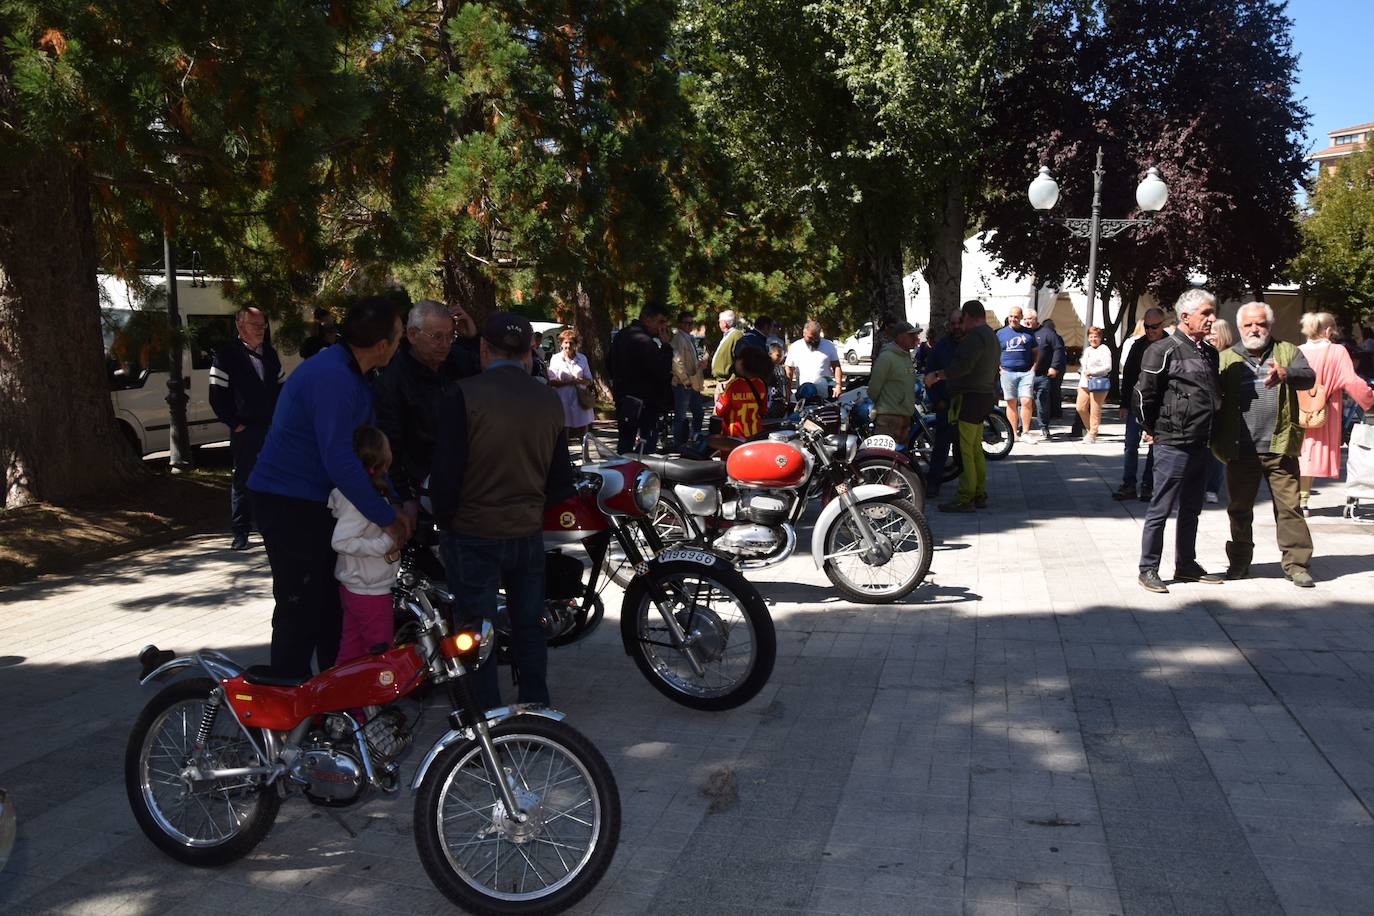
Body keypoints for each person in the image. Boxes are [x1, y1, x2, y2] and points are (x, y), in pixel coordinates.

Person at [249, 296, 411, 677]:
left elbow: (367, 454)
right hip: (287, 502)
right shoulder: (333, 376)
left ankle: (328, 709)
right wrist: (387, 517)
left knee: (330, 609)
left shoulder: (353, 374)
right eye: (400, 336)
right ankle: (284, 713)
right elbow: (339, 460)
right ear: (383, 344)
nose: (400, 344)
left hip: (314, 503)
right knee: (300, 610)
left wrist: (393, 501)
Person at [430, 312, 574, 709]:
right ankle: (536, 705)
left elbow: (446, 475)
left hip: (473, 530)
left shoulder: (463, 394)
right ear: (529, 352)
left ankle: (486, 717)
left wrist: (442, 521)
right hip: (525, 529)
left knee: (476, 628)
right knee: (528, 624)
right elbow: (561, 480)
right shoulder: (547, 399)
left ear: (483, 349)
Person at [1212, 303, 1317, 587]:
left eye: (1260, 324)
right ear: (1239, 327)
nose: (1254, 329)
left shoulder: (1287, 352)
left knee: (1289, 508)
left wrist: (1287, 375)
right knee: (1239, 509)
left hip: (1280, 446)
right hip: (1240, 448)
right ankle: (1240, 562)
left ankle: (1296, 564)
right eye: (1248, 325)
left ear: (1269, 326)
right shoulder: (1226, 358)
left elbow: (1309, 377)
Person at [1134, 288, 1224, 594]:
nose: (1212, 319)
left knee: (1192, 508)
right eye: (1206, 314)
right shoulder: (1162, 350)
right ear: (1185, 317)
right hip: (1172, 442)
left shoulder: (1209, 352)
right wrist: (1152, 428)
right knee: (1161, 508)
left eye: (1213, 313)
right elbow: (1143, 395)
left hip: (1202, 441)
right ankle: (1148, 568)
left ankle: (1186, 564)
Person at [372, 301, 464, 517]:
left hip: (460, 486)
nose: (445, 344)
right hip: (420, 492)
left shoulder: (456, 364)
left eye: (450, 336)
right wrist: (403, 497)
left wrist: (472, 338)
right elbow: (390, 445)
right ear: (412, 335)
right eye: (437, 337)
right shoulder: (393, 381)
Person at [209, 306, 284, 551]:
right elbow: (216, 396)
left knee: (272, 477)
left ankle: (269, 525)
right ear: (240, 326)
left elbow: (282, 389)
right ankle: (240, 531)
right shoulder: (226, 356)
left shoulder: (270, 354)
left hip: (270, 428)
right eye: (255, 325)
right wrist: (234, 424)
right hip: (245, 429)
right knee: (243, 480)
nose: (261, 330)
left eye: (263, 325)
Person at [330, 427, 403, 663]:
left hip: (357, 587)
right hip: (369, 592)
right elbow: (341, 541)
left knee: (352, 651)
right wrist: (385, 543)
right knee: (380, 656)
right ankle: (376, 698)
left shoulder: (363, 493)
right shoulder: (358, 501)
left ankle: (344, 698)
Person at [924, 300, 999, 512]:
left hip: (971, 398)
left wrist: (937, 375)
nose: (960, 325)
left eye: (962, 320)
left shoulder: (975, 336)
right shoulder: (991, 335)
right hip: (983, 397)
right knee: (975, 449)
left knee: (966, 451)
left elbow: (963, 367)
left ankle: (965, 498)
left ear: (967, 316)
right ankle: (979, 493)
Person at [1299, 311, 1374, 516]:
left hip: (1297, 409)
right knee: (1313, 452)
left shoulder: (1297, 350)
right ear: (1329, 330)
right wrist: (1369, 398)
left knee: (1299, 451)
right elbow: (1351, 381)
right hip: (1324, 408)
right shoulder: (1337, 351)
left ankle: (1297, 497)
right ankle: (1302, 500)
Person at [1113, 308, 1166, 501]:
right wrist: (1124, 404)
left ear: (1163, 324)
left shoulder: (1171, 345)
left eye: (1154, 327)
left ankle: (1148, 486)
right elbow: (1128, 376)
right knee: (1130, 445)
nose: (1150, 330)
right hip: (1137, 404)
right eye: (1147, 326)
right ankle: (1128, 484)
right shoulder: (1138, 345)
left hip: (1160, 406)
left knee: (1156, 447)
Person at [608, 302, 672, 453]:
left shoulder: (621, 336)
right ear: (648, 319)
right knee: (646, 446)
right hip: (645, 403)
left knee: (625, 442)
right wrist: (666, 347)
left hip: (625, 399)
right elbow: (662, 370)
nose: (662, 327)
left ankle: (624, 471)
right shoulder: (644, 341)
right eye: (660, 322)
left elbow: (609, 363)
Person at [923, 309, 963, 500]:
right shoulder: (940, 347)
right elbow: (929, 375)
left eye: (959, 323)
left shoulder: (970, 345)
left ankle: (967, 486)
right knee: (941, 447)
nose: (956, 327)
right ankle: (933, 484)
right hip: (945, 405)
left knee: (966, 448)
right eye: (953, 323)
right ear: (948, 325)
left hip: (966, 404)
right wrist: (936, 400)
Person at [1199, 317, 1238, 503]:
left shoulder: (1230, 355)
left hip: (1223, 411)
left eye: (1214, 332)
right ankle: (1200, 486)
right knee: (1203, 452)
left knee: (1217, 453)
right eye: (1209, 332)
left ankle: (1212, 488)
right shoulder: (1204, 353)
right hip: (1205, 410)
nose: (1211, 336)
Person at [869, 321, 919, 442]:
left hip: (905, 416)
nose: (915, 339)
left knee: (899, 458)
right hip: (889, 418)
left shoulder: (905, 356)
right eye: (911, 336)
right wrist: (887, 405)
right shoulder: (887, 357)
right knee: (884, 457)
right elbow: (873, 389)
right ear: (900, 337)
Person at [995, 306, 1039, 441]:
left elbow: (1036, 352)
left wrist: (1033, 368)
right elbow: (994, 352)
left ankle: (1025, 432)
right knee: (1011, 403)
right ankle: (1013, 433)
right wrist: (1000, 368)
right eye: (1011, 316)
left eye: (1016, 316)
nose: (1013, 319)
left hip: (1026, 372)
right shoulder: (1000, 333)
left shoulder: (1028, 333)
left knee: (1026, 401)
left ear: (1021, 318)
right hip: (1007, 372)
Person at [715, 346, 773, 440]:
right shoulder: (760, 384)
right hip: (755, 435)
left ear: (743, 363)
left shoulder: (734, 385)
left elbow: (720, 410)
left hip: (734, 437)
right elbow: (763, 410)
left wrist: (719, 396)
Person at [548, 329, 596, 440]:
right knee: (564, 430)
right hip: (563, 400)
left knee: (584, 432)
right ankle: (564, 456)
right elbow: (551, 381)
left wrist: (580, 381)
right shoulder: (555, 359)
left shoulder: (582, 358)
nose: (568, 345)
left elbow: (589, 380)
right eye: (566, 342)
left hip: (580, 398)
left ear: (575, 344)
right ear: (561, 343)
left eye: (571, 342)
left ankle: (586, 455)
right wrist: (569, 382)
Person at [1025, 309, 1065, 442]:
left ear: (1036, 319)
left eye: (1030, 319)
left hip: (1042, 375)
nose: (1027, 321)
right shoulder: (1022, 333)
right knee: (1023, 402)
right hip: (1023, 374)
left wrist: (1054, 367)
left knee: (1042, 402)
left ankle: (1044, 427)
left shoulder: (1047, 333)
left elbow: (1058, 349)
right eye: (1025, 319)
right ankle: (1021, 429)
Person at [669, 311, 706, 445]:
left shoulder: (688, 337)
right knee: (681, 416)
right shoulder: (679, 338)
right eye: (687, 323)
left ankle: (694, 437)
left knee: (699, 413)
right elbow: (677, 362)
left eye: (692, 322)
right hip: (683, 384)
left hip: (693, 382)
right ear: (680, 324)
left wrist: (700, 363)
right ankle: (679, 444)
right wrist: (685, 381)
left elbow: (689, 360)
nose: (690, 325)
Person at [785, 320, 843, 399]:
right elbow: (789, 369)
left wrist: (838, 385)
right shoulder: (795, 347)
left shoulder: (829, 345)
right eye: (810, 337)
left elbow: (836, 367)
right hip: (804, 392)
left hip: (825, 392)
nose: (813, 341)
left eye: (816, 338)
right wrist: (788, 390)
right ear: (803, 333)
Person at [1076, 326, 1112, 443]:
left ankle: (1092, 434)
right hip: (1084, 383)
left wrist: (1093, 371)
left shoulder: (1104, 349)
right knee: (1080, 407)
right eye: (1091, 337)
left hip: (1098, 382)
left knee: (1095, 409)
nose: (1093, 339)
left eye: (1095, 336)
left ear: (1100, 338)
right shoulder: (1088, 350)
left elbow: (1108, 367)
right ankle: (1090, 430)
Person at [710, 309, 743, 379]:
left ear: (724, 323)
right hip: (723, 381)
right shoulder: (727, 335)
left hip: (728, 381)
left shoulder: (736, 335)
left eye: (719, 321)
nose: (718, 323)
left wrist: (732, 379)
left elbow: (740, 360)